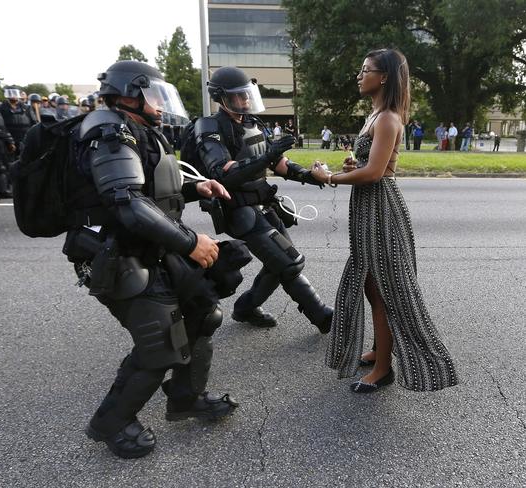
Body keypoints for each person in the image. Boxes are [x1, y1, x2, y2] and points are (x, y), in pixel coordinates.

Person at [63, 61, 241, 459]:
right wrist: (190, 242)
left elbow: (152, 188)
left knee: (203, 314)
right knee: (160, 344)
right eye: (154, 95)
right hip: (119, 255)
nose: (161, 105)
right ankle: (111, 423)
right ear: (129, 94)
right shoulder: (108, 132)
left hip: (150, 248)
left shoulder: (134, 129)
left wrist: (197, 187)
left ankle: (185, 397)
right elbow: (128, 204)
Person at [310, 48, 458, 393]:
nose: (360, 76)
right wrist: (351, 168)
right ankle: (380, 349)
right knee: (369, 283)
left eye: (366, 70)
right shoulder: (374, 116)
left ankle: (383, 368)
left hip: (381, 209)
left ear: (385, 77)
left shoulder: (389, 117)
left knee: (384, 289)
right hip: (367, 207)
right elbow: (367, 166)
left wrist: (329, 177)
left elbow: (376, 173)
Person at [192, 66, 333, 332]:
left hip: (264, 206)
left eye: (247, 95)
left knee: (277, 263)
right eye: (238, 96)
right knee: (289, 262)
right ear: (221, 97)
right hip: (239, 210)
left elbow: (279, 163)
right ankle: (322, 316)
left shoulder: (253, 123)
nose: (245, 100)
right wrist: (267, 157)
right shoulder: (210, 126)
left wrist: (309, 176)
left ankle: (245, 308)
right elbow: (223, 173)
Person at [0, 86, 32, 157]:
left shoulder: (26, 108)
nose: (13, 95)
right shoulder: (1, 108)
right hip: (9, 141)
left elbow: (33, 123)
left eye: (15, 93)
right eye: (11, 93)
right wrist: (9, 141)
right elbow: (1, 125)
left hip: (25, 140)